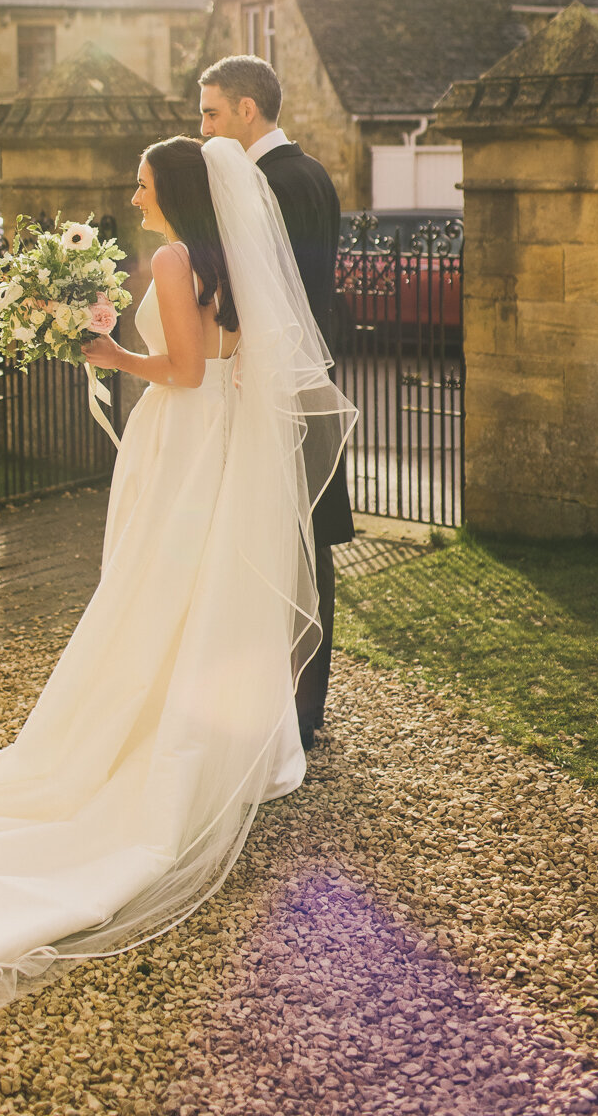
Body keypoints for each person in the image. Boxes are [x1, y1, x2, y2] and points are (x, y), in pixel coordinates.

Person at [0, 136, 355, 1016]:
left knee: (153, 587)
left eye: (143, 183)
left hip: (179, 437)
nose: (134, 197)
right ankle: (221, 739)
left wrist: (109, 355)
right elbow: (234, 357)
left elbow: (186, 371)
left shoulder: (171, 258)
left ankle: (140, 746)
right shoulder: (229, 260)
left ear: (175, 193)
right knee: (200, 588)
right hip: (221, 447)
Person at [198, 56, 355, 751]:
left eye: (209, 112)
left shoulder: (266, 182)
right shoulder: (313, 173)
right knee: (307, 540)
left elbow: (266, 298)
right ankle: (302, 701)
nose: (202, 126)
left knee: (283, 539)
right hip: (308, 375)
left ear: (246, 111)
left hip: (279, 385)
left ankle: (289, 709)